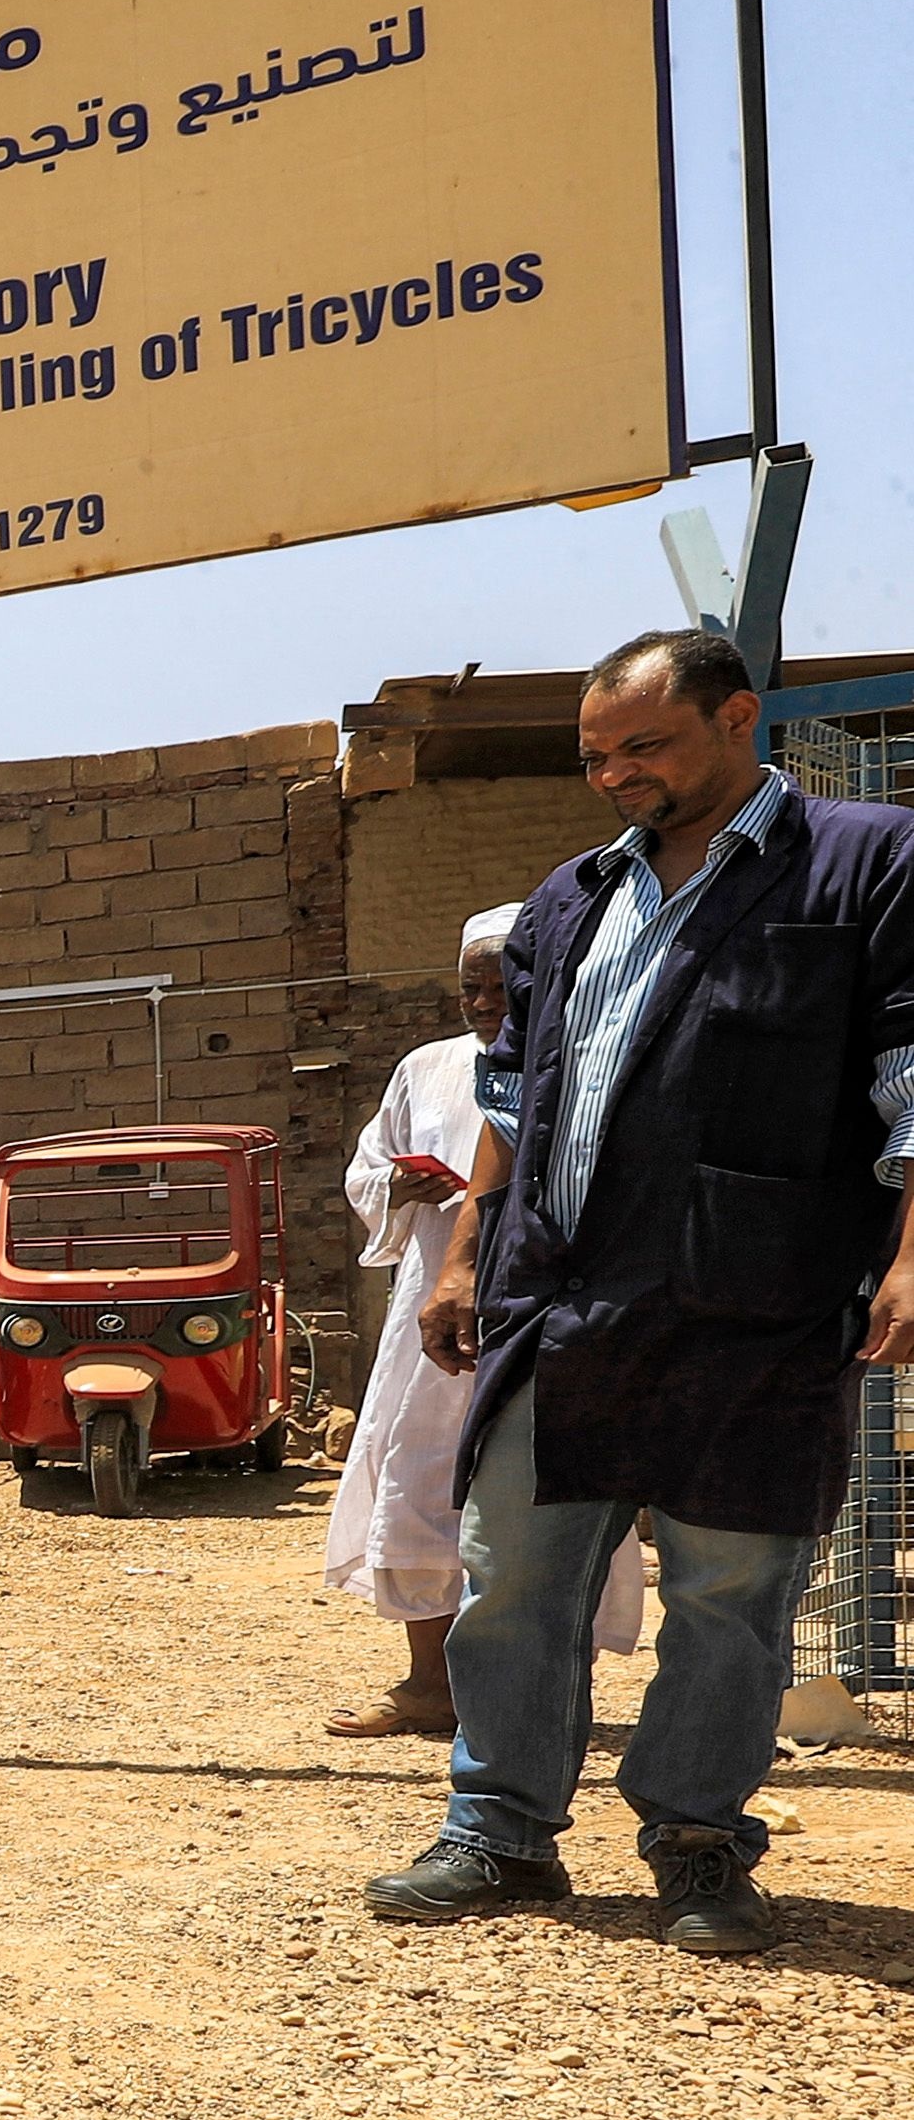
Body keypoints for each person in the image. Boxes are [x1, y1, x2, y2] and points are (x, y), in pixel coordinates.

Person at [365, 629, 914, 1951]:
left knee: (732, 1591)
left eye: (644, 746)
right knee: (514, 1579)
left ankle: (700, 1840)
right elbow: (508, 1092)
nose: (615, 775)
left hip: (757, 1300)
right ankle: (498, 1831)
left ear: (739, 718)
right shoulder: (567, 899)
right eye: (596, 754)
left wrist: (909, 1255)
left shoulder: (864, 860)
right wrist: (457, 1255)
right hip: (562, 1301)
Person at [321, 905, 642, 1736]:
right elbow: (366, 1169)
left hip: (551, 1310)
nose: (484, 1004)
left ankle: (542, 1696)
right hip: (435, 1309)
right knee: (421, 1483)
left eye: (502, 988)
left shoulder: (590, 1060)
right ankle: (431, 1684)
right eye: (470, 988)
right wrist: (400, 1188)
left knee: (549, 1496)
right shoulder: (426, 1068)